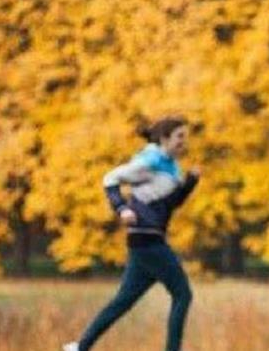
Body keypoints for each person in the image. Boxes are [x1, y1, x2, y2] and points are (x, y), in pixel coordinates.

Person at [64, 116, 201, 351]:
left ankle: (80, 347)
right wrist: (121, 207)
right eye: (179, 136)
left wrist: (189, 183)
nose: (184, 142)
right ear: (164, 138)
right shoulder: (148, 162)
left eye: (185, 137)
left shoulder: (172, 168)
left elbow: (171, 204)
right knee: (182, 295)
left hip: (144, 241)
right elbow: (110, 178)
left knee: (123, 302)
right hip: (148, 239)